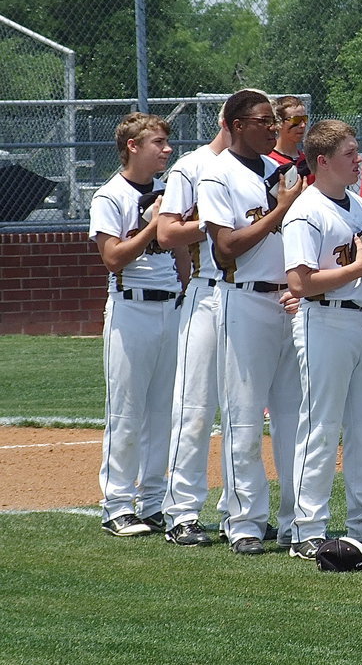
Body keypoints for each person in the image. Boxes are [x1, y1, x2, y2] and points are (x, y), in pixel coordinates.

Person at [197, 88, 305, 555]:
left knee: (294, 417)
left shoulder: (282, 171)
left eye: (274, 120)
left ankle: (298, 519)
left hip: (292, 301)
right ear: (238, 124)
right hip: (243, 299)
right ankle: (243, 521)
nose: (272, 127)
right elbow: (227, 247)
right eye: (263, 120)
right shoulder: (216, 174)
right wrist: (281, 208)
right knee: (243, 415)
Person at [282, 120, 362, 559]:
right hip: (324, 321)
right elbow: (300, 282)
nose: (357, 158)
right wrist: (358, 270)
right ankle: (307, 529)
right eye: (349, 153)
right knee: (321, 426)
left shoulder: (357, 206)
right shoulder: (306, 211)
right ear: (322, 161)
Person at [89, 112, 184, 537]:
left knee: (163, 410)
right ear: (133, 146)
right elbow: (112, 257)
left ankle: (151, 501)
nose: (166, 149)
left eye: (166, 142)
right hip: (131, 308)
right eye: (157, 142)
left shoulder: (169, 190)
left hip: (171, 305)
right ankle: (115, 505)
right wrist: (152, 228)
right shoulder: (110, 195)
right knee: (126, 411)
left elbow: (180, 247)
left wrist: (185, 284)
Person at [158, 107, 232, 545]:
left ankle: (238, 512)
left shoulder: (269, 168)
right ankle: (181, 512)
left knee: (243, 411)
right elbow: (167, 233)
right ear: (229, 123)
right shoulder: (193, 166)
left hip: (253, 294)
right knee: (195, 405)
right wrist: (217, 221)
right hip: (208, 289)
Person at [268, 95, 312, 183]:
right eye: (296, 120)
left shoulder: (308, 161)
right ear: (278, 123)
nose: (303, 125)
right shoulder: (269, 161)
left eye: (304, 119)